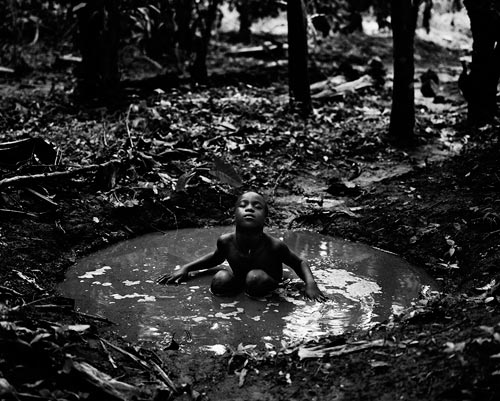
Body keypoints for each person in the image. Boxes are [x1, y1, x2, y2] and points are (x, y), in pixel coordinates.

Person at [157, 191, 327, 301]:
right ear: (235, 215)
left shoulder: (274, 246)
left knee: (255, 278)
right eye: (243, 205)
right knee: (220, 280)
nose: (250, 209)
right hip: (240, 280)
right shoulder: (226, 241)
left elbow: (299, 262)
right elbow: (215, 259)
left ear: (265, 218)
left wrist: (310, 284)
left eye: (257, 207)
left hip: (266, 282)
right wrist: (186, 268)